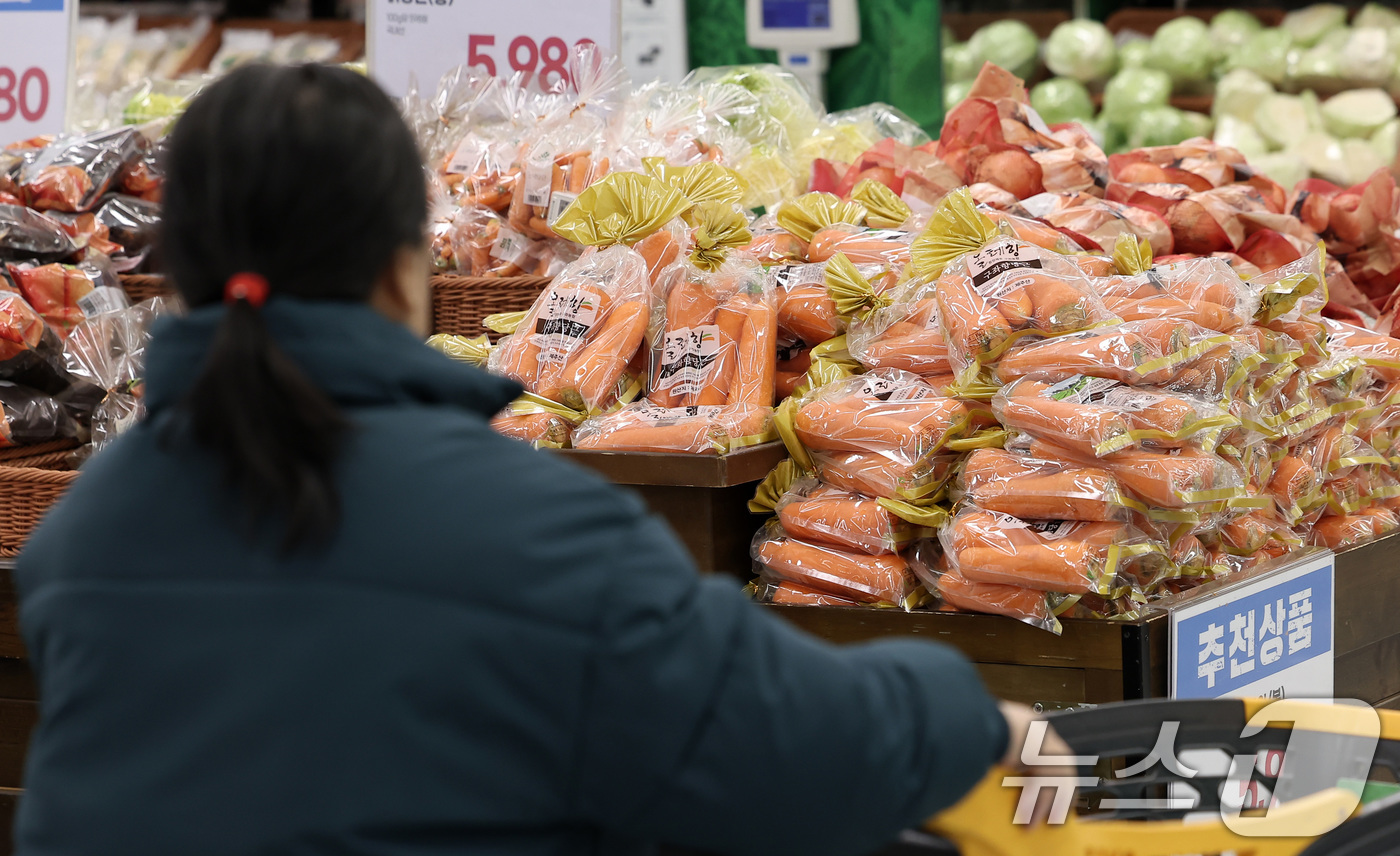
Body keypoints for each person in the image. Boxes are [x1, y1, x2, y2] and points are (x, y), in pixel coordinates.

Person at [14, 64, 1069, 856]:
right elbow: (778, 748)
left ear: (171, 270)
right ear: (406, 265)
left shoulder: (88, 528)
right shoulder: (524, 529)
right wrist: (966, 714)